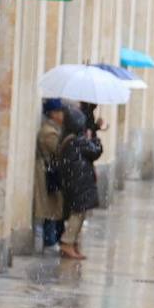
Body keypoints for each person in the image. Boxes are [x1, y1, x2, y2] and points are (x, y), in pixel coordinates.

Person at [56, 107, 102, 261]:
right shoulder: (79, 141)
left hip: (73, 181)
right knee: (78, 214)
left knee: (78, 213)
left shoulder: (67, 139)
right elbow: (96, 151)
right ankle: (67, 242)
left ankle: (71, 242)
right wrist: (95, 137)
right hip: (80, 182)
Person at [34, 99, 66, 249]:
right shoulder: (49, 132)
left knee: (53, 207)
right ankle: (49, 239)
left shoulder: (56, 129)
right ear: (53, 114)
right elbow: (60, 151)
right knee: (50, 208)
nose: (62, 114)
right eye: (60, 111)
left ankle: (51, 238)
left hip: (52, 172)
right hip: (48, 173)